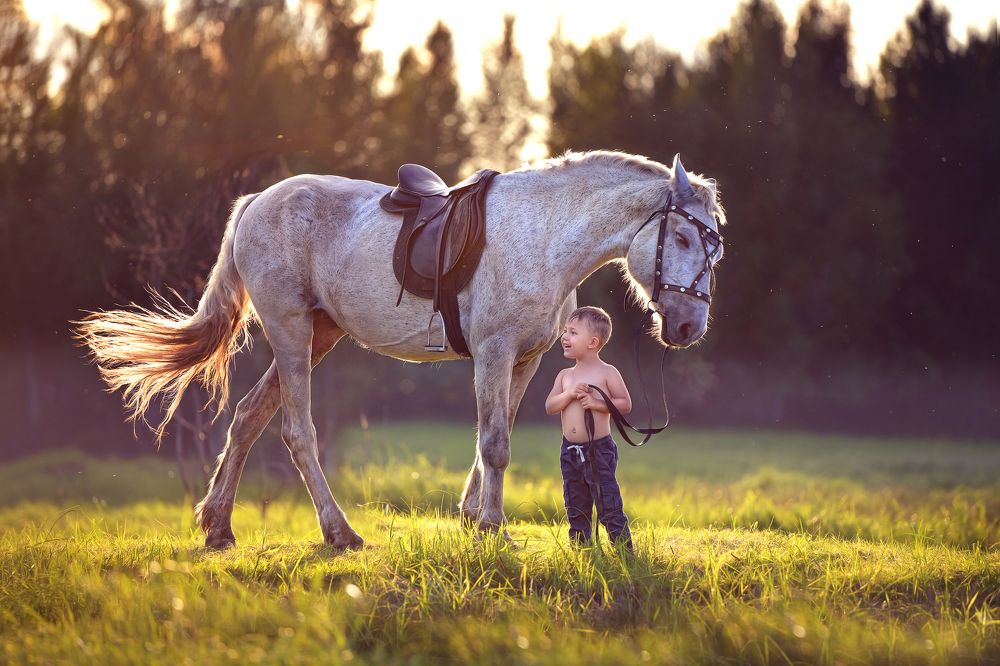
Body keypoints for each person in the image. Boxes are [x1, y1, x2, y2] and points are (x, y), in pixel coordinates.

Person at [544, 306, 634, 550]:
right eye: (565, 331)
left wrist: (596, 403)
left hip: (598, 450)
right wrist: (570, 394)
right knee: (575, 505)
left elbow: (624, 404)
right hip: (570, 451)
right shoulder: (565, 376)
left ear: (593, 342)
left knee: (608, 503)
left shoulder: (607, 372)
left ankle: (623, 551)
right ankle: (582, 551)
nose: (564, 337)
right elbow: (550, 406)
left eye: (572, 332)